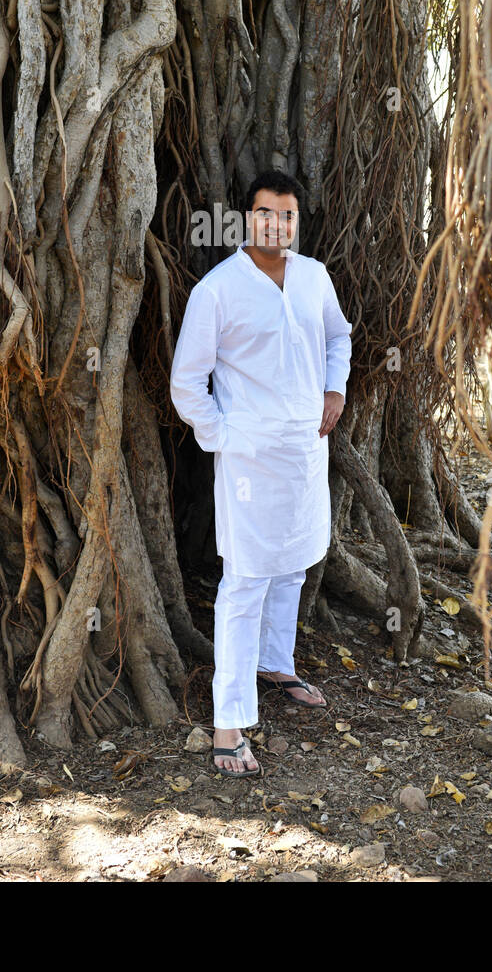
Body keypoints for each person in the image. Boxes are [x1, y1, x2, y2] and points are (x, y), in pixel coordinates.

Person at [169, 169, 352, 775]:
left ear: (298, 221)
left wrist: (335, 389)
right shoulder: (218, 291)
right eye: (265, 214)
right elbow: (186, 384)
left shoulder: (313, 277)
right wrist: (227, 437)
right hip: (247, 461)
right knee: (245, 580)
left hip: (304, 451)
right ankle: (227, 723)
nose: (277, 225)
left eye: (288, 215)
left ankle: (277, 664)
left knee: (295, 563)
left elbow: (338, 337)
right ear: (248, 219)